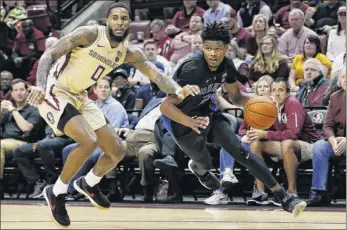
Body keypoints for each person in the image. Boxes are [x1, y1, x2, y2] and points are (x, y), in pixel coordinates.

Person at [26, 3, 199, 227]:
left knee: (117, 150)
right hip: (56, 91)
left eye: (124, 18)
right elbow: (49, 54)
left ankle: (88, 183)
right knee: (88, 141)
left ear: (129, 23)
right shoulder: (88, 34)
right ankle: (57, 192)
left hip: (80, 96)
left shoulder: (128, 52)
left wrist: (178, 89)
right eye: (115, 18)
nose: (119, 22)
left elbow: (156, 75)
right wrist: (39, 85)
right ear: (107, 20)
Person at [160, 22, 307, 216]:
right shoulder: (192, 69)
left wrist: (261, 101)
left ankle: (283, 197)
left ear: (227, 48)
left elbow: (237, 98)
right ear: (202, 47)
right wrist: (190, 122)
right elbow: (165, 106)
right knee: (204, 163)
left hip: (209, 113)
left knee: (241, 152)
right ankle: (199, 168)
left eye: (218, 49)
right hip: (182, 123)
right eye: (208, 49)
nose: (213, 54)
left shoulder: (227, 65)